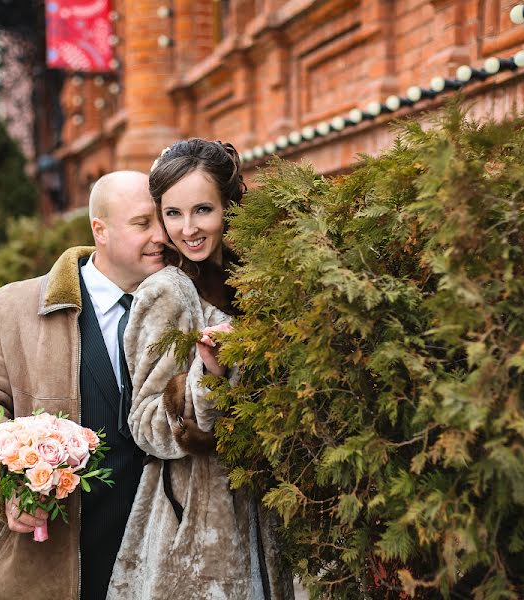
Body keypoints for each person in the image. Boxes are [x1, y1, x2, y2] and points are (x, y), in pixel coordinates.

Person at [0, 171, 167, 599]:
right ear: (99, 231)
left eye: (164, 219)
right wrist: (4, 490)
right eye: (144, 223)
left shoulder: (186, 306)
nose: (161, 235)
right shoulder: (12, 309)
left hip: (159, 546)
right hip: (58, 554)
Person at [107, 139, 295, 599]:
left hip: (259, 508)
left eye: (202, 210)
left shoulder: (258, 281)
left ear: (228, 206)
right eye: (172, 213)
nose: (187, 229)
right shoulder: (168, 292)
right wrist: (206, 376)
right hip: (194, 527)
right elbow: (146, 424)